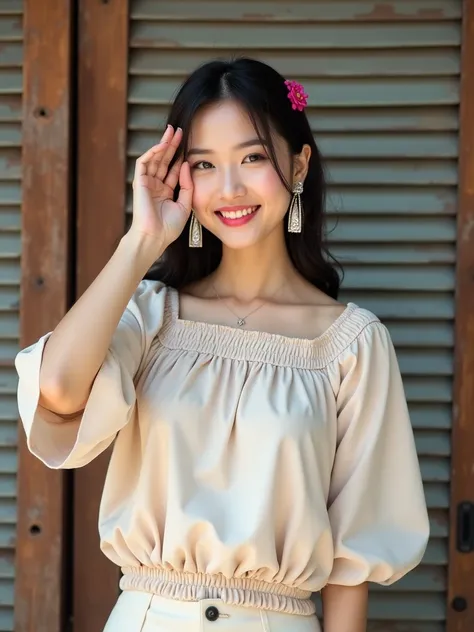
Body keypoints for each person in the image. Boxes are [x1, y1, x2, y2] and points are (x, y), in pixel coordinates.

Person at [15, 58, 429, 632]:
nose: (229, 188)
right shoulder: (151, 315)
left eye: (252, 157)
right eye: (204, 164)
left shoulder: (351, 344)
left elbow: (349, 570)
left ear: (299, 163)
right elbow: (58, 391)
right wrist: (141, 241)